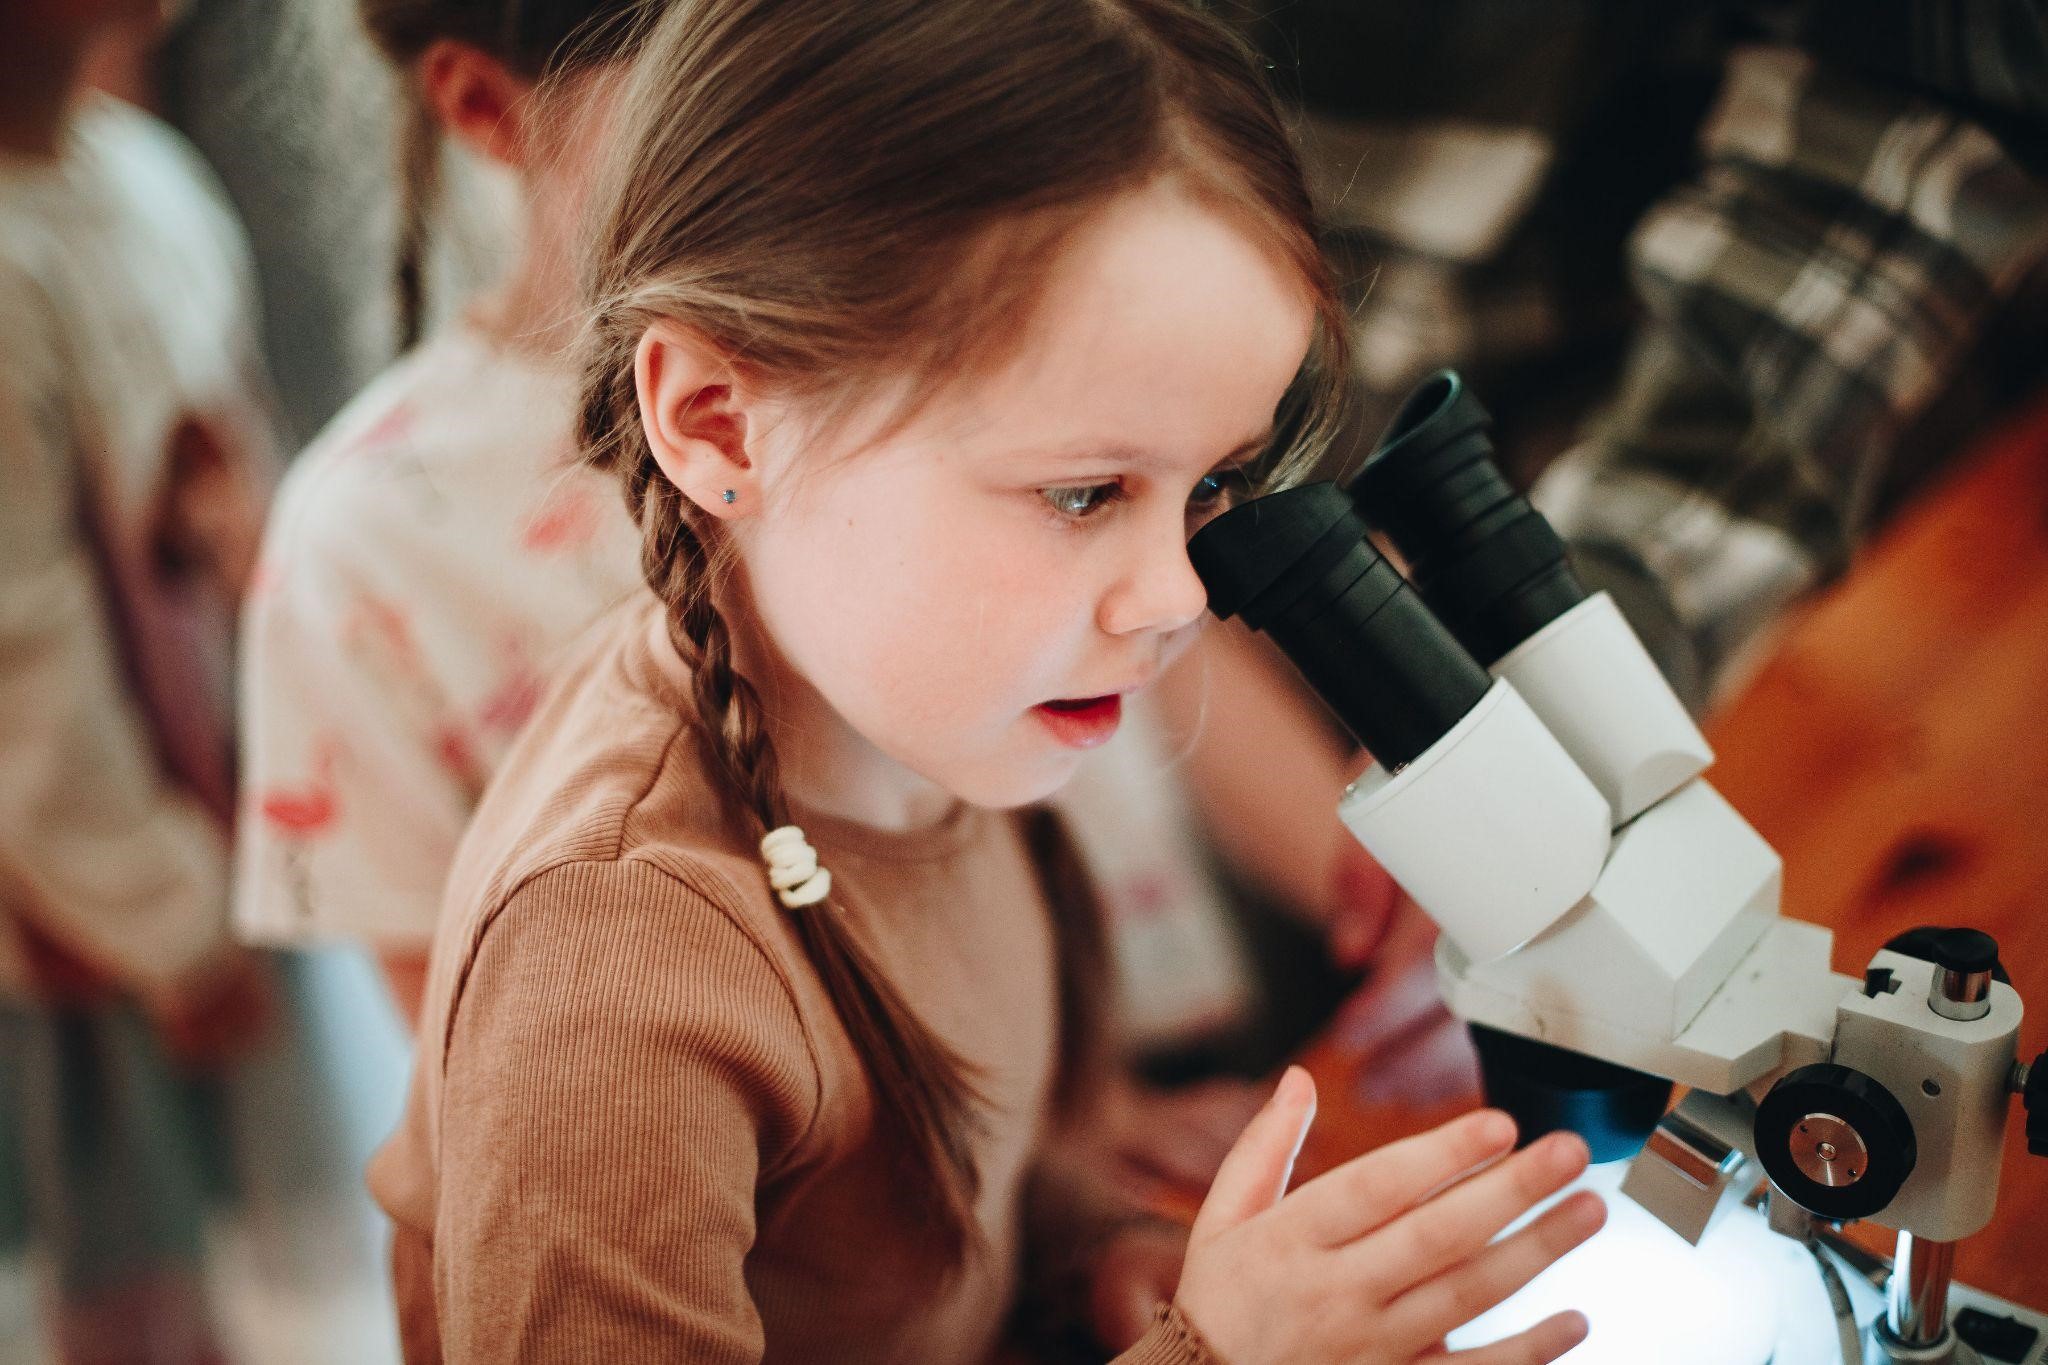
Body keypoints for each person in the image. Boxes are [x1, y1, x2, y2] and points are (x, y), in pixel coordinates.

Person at [368, 2, 1606, 1361]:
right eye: (1084, 492)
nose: (1183, 596)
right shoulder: (606, 973)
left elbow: (908, 1215)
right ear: (718, 421)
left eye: (1212, 486)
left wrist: (1098, 1252)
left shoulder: (914, 730)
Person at [0, 0, 276, 1357]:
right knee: (135, 1285)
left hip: (230, 815)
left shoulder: (145, 179)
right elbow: (19, 651)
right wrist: (165, 913)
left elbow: (220, 455)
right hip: (84, 909)